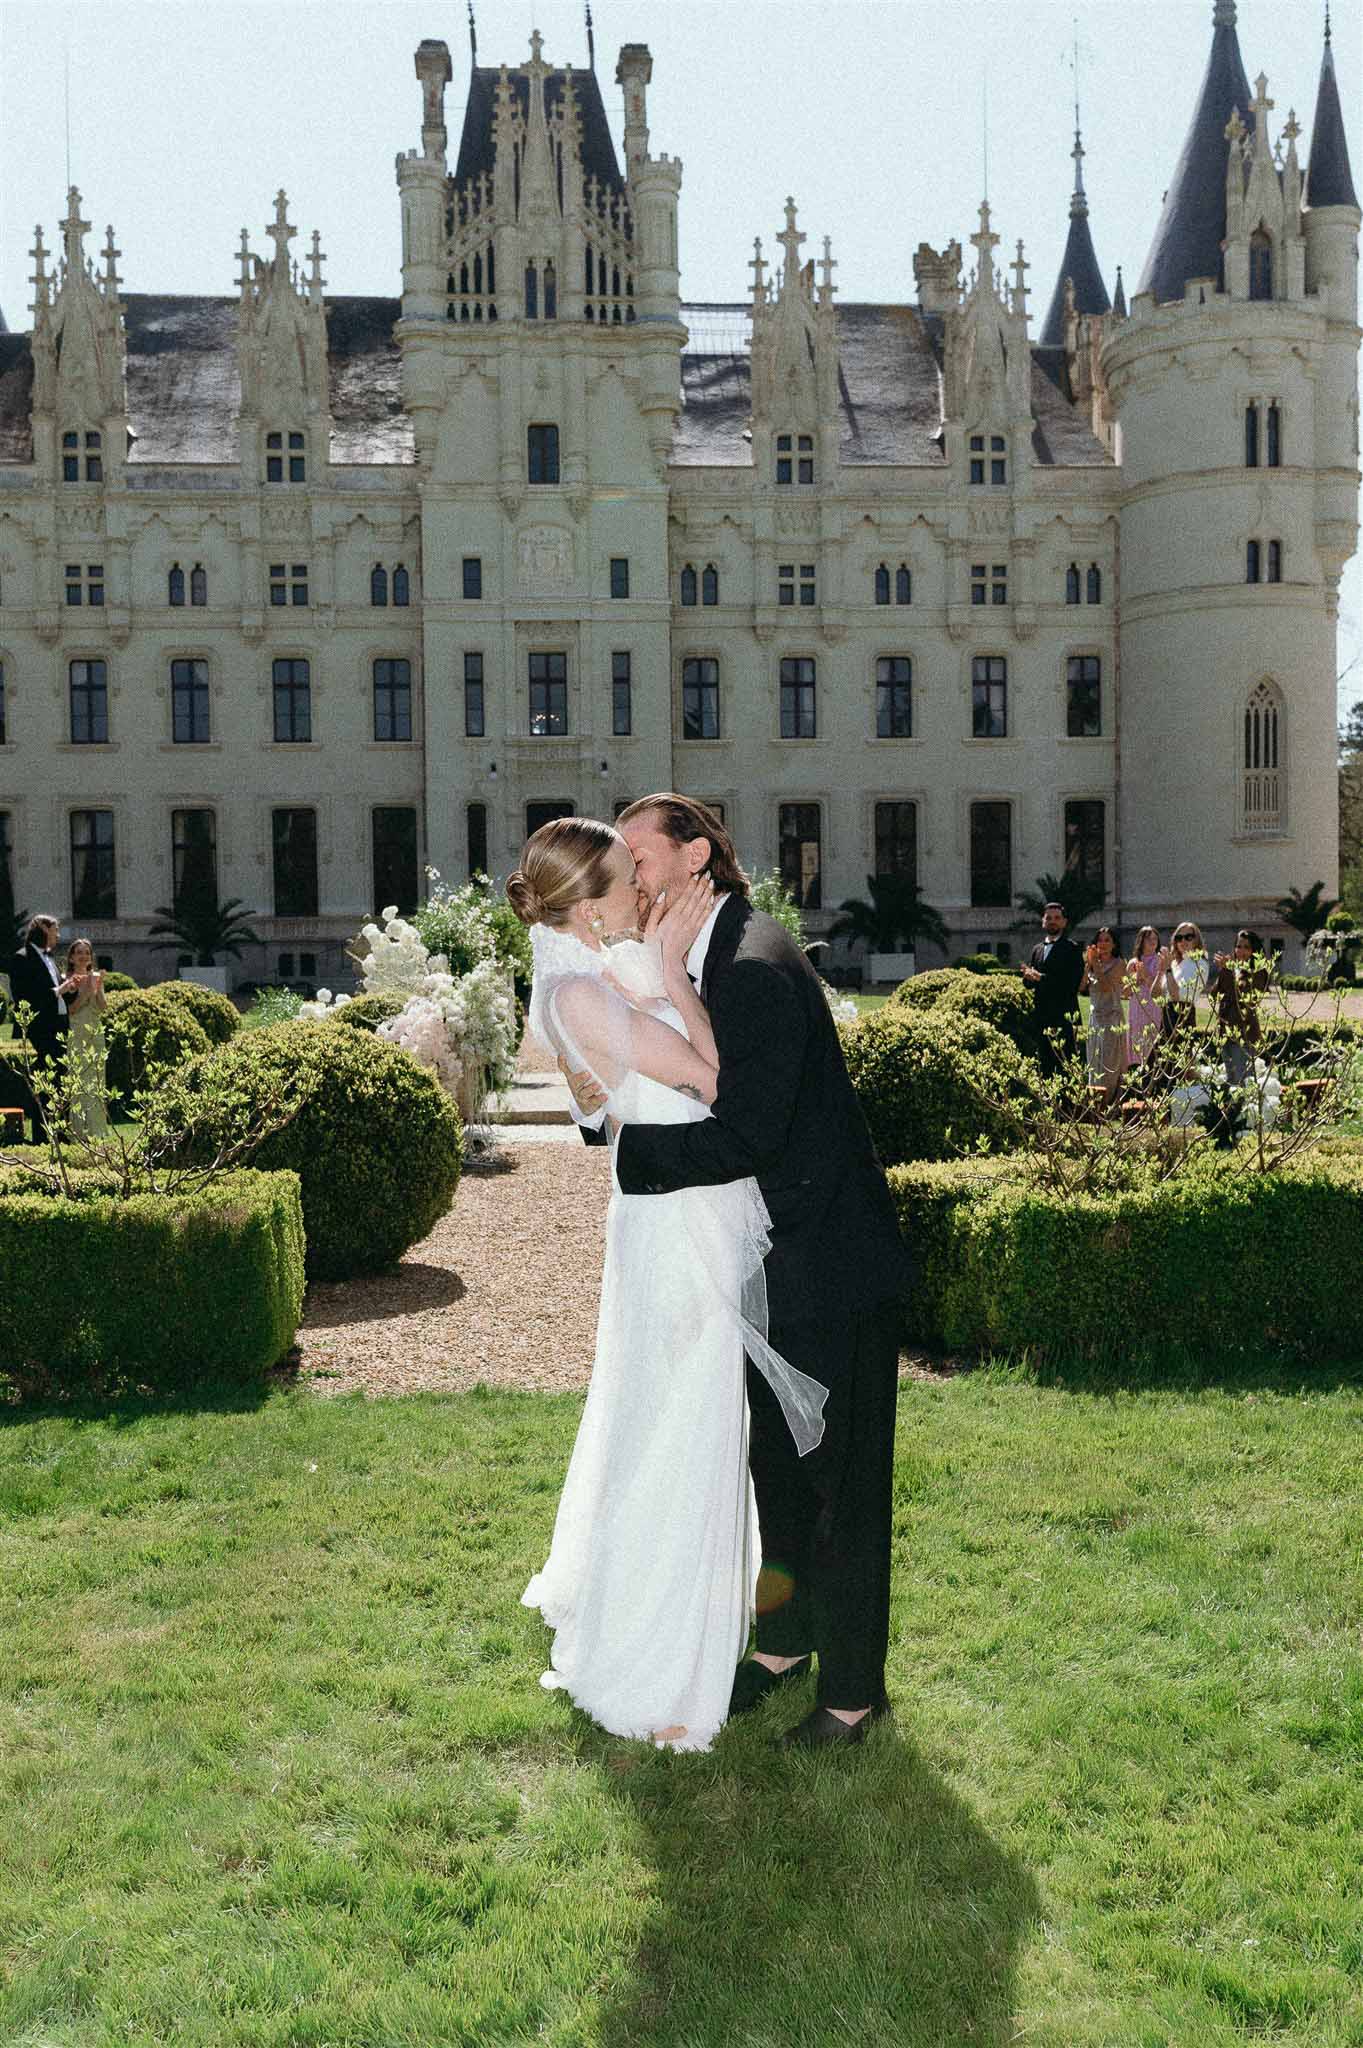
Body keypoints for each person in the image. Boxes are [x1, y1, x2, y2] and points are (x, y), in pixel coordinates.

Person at [574, 793, 914, 1752]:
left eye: (638, 856)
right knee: (775, 1471)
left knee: (840, 1491)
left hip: (829, 1270)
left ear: (695, 858)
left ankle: (851, 1697)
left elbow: (748, 1134)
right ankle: (782, 1645)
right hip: (768, 1270)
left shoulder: (754, 964)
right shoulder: (711, 953)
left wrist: (629, 1159)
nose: (625, 874)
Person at [509, 816, 830, 1753]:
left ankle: (700, 1628)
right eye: (629, 877)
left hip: (678, 1217)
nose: (646, 890)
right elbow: (714, 1079)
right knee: (684, 1432)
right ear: (596, 898)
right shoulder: (586, 992)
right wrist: (676, 975)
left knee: (688, 1424)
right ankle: (657, 1666)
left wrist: (660, 968)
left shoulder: (595, 973)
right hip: (676, 1231)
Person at [7, 914, 77, 1137]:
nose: (57, 934)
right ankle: (42, 1134)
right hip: (41, 1027)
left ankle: (60, 1133)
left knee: (60, 1078)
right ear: (43, 930)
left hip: (59, 1026)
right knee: (47, 1079)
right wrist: (59, 990)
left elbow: (59, 995)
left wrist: (71, 989)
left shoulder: (51, 958)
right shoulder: (22, 958)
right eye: (55, 930)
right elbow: (24, 996)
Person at [1021, 902, 1085, 1075]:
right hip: (1041, 1018)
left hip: (1063, 1018)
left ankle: (1067, 1103)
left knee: (1065, 1068)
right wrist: (1028, 977)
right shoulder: (1037, 949)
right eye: (1048, 918)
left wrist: (1041, 978)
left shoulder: (1072, 949)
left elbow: (1071, 984)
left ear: (1064, 922)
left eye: (1057, 918)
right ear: (1043, 922)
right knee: (1044, 1067)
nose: (1052, 921)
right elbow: (1029, 984)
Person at [1211, 929, 1271, 1090]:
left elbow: (1243, 999)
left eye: (1246, 947)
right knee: (1232, 1082)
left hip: (1244, 1035)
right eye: (1238, 946)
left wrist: (1228, 972)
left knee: (1244, 1082)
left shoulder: (1259, 972)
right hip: (1226, 1033)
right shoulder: (1232, 968)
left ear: (1254, 951)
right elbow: (1214, 994)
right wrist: (1225, 971)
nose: (1241, 951)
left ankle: (1249, 1114)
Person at [63, 938, 110, 1138]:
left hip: (96, 1032)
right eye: (79, 953)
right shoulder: (67, 979)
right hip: (77, 1031)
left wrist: (97, 987)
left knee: (97, 1080)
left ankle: (98, 1131)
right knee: (79, 1080)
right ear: (72, 958)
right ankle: (79, 1132)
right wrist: (85, 991)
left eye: (87, 953)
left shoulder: (96, 976)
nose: (84, 956)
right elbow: (71, 1010)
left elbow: (102, 1007)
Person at [1081, 926, 1128, 1101]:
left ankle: (1110, 1101)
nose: (1103, 943)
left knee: (1110, 1062)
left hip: (1112, 1018)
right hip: (1095, 1019)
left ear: (1114, 944)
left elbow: (1106, 987)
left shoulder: (1119, 964)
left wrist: (1096, 965)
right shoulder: (1092, 964)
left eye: (1107, 940)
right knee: (1094, 1061)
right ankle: (1095, 1102)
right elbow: (1081, 987)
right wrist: (1088, 965)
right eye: (1100, 940)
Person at [1162, 921, 1210, 1077]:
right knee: (1163, 1066)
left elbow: (1177, 996)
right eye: (1179, 937)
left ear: (1197, 940)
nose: (1183, 941)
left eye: (1188, 937)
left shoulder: (1199, 963)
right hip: (1166, 1015)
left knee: (1179, 1068)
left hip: (1183, 1015)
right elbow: (1156, 994)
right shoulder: (1175, 964)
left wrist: (1167, 968)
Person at [1126, 927, 1166, 1070]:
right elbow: (1125, 992)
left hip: (1153, 1008)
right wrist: (1136, 978)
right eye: (1148, 938)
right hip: (1137, 1009)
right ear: (1141, 941)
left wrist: (1145, 976)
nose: (1152, 942)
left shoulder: (1160, 961)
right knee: (1136, 1047)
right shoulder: (1133, 962)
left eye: (1155, 938)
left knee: (1152, 1046)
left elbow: (1159, 990)